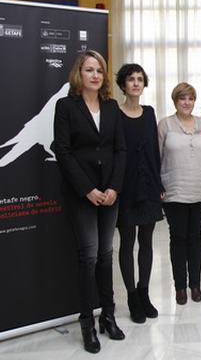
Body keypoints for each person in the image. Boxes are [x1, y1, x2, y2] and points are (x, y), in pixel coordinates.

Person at [53, 50, 126, 354]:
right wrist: (87, 189)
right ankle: (87, 323)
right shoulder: (66, 106)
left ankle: (108, 316)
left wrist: (113, 188)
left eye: (99, 70)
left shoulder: (110, 107)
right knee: (89, 256)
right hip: (81, 195)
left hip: (109, 194)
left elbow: (120, 150)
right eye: (89, 70)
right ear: (78, 74)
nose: (95, 75)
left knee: (107, 255)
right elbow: (63, 152)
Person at [158, 82, 201, 305]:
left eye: (190, 98)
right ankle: (180, 287)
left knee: (196, 238)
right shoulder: (165, 124)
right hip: (174, 191)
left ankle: (195, 284)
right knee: (179, 238)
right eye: (182, 98)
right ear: (175, 101)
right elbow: (156, 157)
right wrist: (158, 186)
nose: (187, 102)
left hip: (200, 190)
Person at [115, 64, 164, 323]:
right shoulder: (114, 112)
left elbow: (154, 153)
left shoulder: (149, 113)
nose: (135, 83)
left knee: (147, 242)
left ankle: (144, 293)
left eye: (140, 79)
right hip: (125, 188)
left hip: (148, 186)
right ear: (123, 84)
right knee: (127, 242)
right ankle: (132, 296)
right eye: (131, 79)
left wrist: (159, 186)